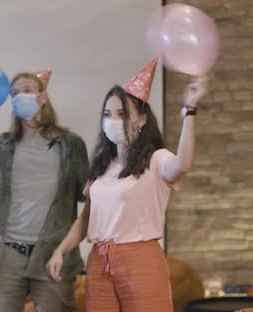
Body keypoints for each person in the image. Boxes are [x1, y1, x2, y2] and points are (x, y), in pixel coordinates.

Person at [46, 58, 208, 311]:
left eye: (122, 114)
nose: (113, 120)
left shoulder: (156, 159)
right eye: (108, 114)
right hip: (99, 259)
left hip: (140, 258)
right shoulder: (101, 165)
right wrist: (61, 250)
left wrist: (189, 110)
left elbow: (183, 164)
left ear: (142, 119)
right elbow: (86, 219)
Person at [0, 71, 88, 311]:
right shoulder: (1, 148)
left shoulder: (70, 144)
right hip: (8, 253)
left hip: (53, 253)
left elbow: (84, 193)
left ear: (43, 97)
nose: (20, 96)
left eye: (27, 90)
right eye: (14, 93)